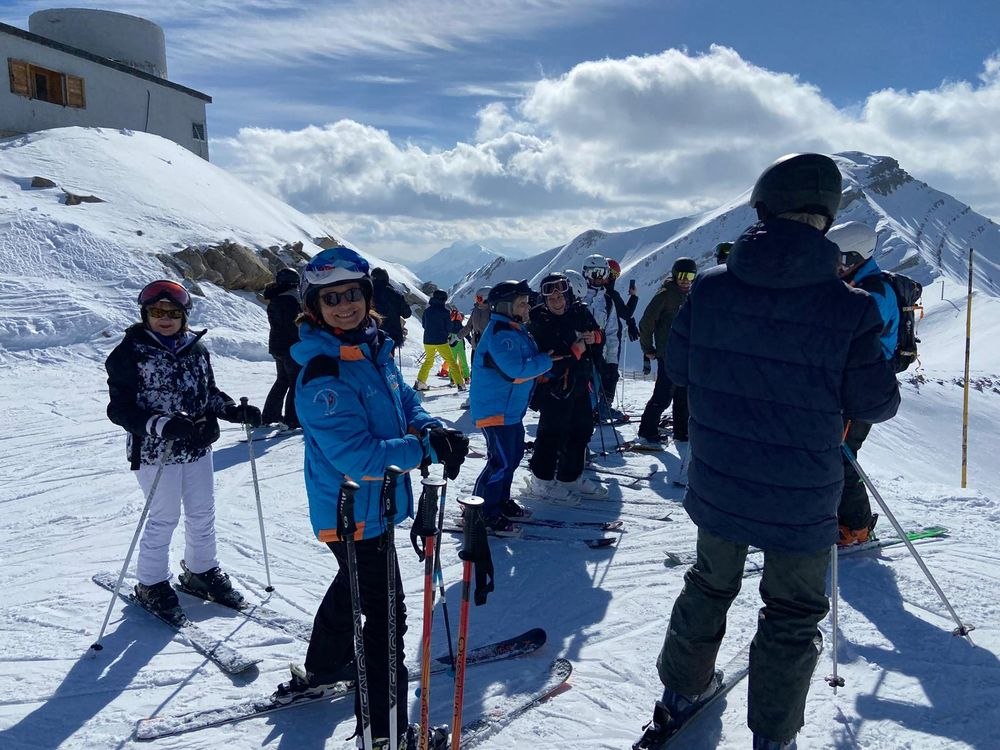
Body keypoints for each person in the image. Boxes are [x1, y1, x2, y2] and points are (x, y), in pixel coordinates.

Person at [633, 153, 900, 750]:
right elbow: (877, 403)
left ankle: (679, 696)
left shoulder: (710, 289)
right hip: (802, 494)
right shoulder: (851, 306)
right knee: (792, 611)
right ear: (826, 218)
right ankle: (773, 737)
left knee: (708, 584)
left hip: (720, 480)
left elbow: (677, 368)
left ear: (763, 208)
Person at [277, 246, 466, 749]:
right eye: (331, 298)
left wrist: (430, 426)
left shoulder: (370, 350)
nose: (344, 305)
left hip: (371, 508)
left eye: (352, 294)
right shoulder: (323, 374)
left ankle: (323, 666)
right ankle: (387, 734)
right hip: (353, 511)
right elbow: (357, 456)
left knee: (354, 587)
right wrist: (424, 449)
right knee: (386, 620)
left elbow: (405, 399)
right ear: (314, 307)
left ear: (366, 296)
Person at [105, 279, 262, 615]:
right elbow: (120, 409)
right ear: (145, 314)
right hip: (154, 452)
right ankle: (151, 582)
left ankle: (201, 571)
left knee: (202, 512)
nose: (165, 318)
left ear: (184, 316)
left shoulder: (196, 349)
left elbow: (209, 393)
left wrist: (232, 410)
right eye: (157, 311)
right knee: (164, 517)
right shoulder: (129, 353)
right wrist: (161, 425)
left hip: (196, 447)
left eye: (173, 313)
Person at [829, 220, 900, 546]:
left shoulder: (874, 292)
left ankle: (857, 526)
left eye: (840, 259)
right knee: (832, 452)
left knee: (842, 456)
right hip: (845, 383)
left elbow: (851, 338)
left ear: (856, 256)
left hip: (864, 387)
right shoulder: (851, 284)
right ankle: (835, 518)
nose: (834, 265)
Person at [469, 280, 553, 534]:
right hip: (495, 411)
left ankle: (500, 501)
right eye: (522, 303)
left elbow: (527, 361)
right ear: (506, 306)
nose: (527, 307)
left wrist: (542, 365)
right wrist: (545, 361)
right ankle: (481, 511)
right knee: (501, 461)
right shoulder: (500, 334)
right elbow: (516, 371)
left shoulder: (515, 330)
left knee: (512, 457)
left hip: (510, 411)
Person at [523, 273, 608, 502]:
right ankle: (541, 480)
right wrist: (576, 351)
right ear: (545, 300)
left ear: (568, 295)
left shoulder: (580, 312)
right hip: (553, 389)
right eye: (551, 299)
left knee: (582, 429)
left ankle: (569, 476)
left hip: (579, 383)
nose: (557, 302)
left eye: (560, 296)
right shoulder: (539, 322)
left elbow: (598, 337)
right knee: (552, 434)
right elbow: (547, 360)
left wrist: (595, 338)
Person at [634, 258, 696, 468]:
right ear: (675, 275)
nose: (686, 280)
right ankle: (647, 432)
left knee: (682, 394)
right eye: (682, 276)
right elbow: (646, 321)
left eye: (690, 276)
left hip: (684, 353)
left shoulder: (688, 295)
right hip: (667, 352)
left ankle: (682, 431)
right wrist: (647, 348)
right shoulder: (666, 294)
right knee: (663, 393)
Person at [581, 254, 640, 422]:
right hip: (579, 352)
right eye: (594, 273)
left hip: (601, 350)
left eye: (603, 273)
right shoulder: (577, 295)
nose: (599, 277)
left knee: (605, 377)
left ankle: (601, 408)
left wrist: (612, 359)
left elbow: (612, 331)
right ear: (585, 273)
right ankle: (588, 410)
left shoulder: (608, 300)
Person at [261, 267, 302, 430]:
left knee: (282, 380)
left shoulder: (276, 298)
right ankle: (292, 420)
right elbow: (294, 325)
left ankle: (270, 415)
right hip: (290, 346)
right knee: (295, 381)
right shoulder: (291, 299)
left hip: (277, 345)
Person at [414, 289, 466, 391]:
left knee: (429, 361)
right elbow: (449, 327)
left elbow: (424, 325)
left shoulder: (427, 311)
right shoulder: (445, 312)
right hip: (441, 341)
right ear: (443, 299)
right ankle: (460, 384)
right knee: (451, 361)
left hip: (428, 340)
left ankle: (420, 382)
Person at [370, 266, 412, 353]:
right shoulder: (395, 294)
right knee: (387, 358)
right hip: (391, 335)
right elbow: (407, 313)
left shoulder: (366, 292)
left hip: (371, 332)